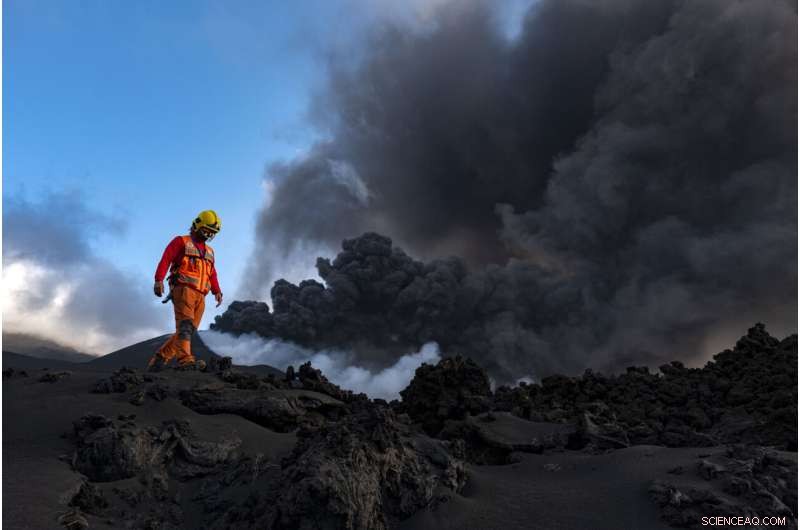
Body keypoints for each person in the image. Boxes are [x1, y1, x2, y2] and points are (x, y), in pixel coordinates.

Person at [147, 210, 223, 371]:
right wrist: (158, 280)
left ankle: (160, 358)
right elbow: (166, 258)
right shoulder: (181, 241)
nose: (209, 234)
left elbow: (212, 272)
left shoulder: (210, 252)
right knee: (185, 326)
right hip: (183, 290)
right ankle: (185, 360)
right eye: (207, 230)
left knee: (190, 329)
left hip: (201, 295)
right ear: (197, 225)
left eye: (212, 232)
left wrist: (217, 290)